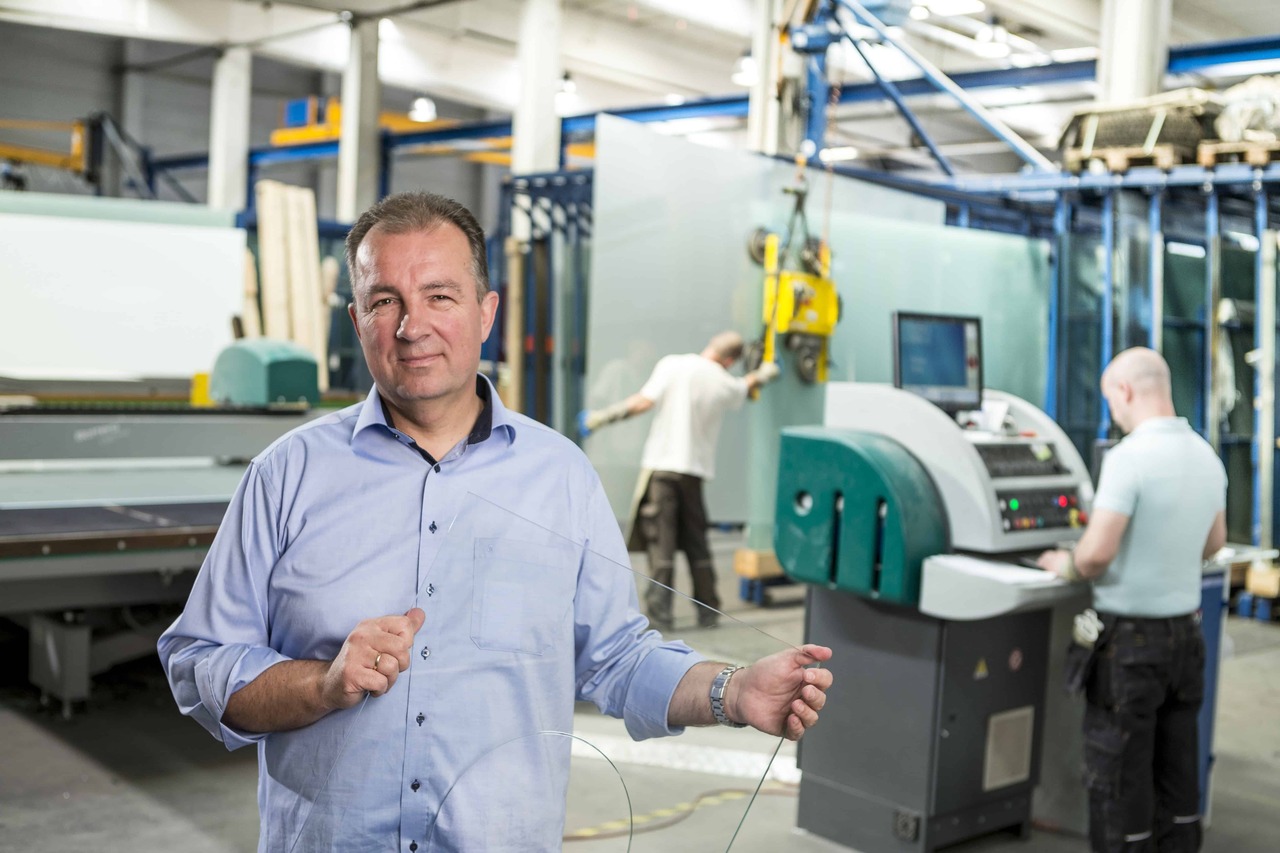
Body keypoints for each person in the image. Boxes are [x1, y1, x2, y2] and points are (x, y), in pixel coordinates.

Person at [158, 191, 832, 852]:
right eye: (384, 299)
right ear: (357, 317)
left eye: (440, 296)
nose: (411, 325)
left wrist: (733, 689)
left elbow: (619, 659)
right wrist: (322, 683)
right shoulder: (285, 475)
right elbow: (201, 659)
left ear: (486, 313)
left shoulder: (561, 477)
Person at [1037, 347, 1226, 853]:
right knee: (1176, 772)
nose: (1113, 414)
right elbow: (1212, 544)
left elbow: (1096, 554)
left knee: (1119, 776)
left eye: (1111, 401)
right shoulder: (1206, 456)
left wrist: (1066, 564)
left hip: (1129, 648)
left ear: (1124, 392)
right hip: (1186, 639)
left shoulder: (1129, 458)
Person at [579, 333, 779, 630]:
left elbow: (643, 402)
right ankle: (709, 612)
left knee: (662, 544)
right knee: (697, 544)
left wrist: (602, 418)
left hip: (662, 469)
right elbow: (746, 385)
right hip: (693, 473)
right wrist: (764, 373)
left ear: (711, 344)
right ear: (730, 361)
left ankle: (661, 616)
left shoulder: (674, 365)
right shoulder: (723, 380)